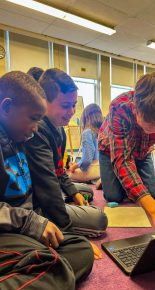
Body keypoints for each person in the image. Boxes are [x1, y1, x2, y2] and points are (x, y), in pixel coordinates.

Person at [0, 71, 94, 290]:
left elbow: (52, 176)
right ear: (6, 107)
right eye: (33, 118)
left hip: (17, 229)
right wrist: (31, 222)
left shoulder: (18, 134)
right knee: (57, 271)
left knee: (80, 249)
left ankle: (30, 266)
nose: (36, 128)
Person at [98, 72, 155, 236]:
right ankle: (106, 176)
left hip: (142, 151)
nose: (154, 130)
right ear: (136, 108)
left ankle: (121, 177)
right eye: (150, 123)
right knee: (113, 196)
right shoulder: (120, 107)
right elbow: (123, 160)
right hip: (111, 150)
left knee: (152, 195)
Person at [25, 68, 108, 241]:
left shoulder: (59, 131)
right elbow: (47, 186)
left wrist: (73, 193)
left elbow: (59, 171)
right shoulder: (37, 130)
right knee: (99, 220)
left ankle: (67, 200)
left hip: (52, 189)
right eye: (65, 105)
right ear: (44, 102)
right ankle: (58, 213)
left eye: (73, 105)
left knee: (85, 191)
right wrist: (67, 232)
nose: (71, 111)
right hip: (41, 198)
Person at [68, 103, 103, 183]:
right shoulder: (104, 131)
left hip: (94, 172)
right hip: (104, 170)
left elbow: (87, 160)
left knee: (68, 176)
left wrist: (74, 167)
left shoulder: (87, 132)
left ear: (85, 117)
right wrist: (77, 164)